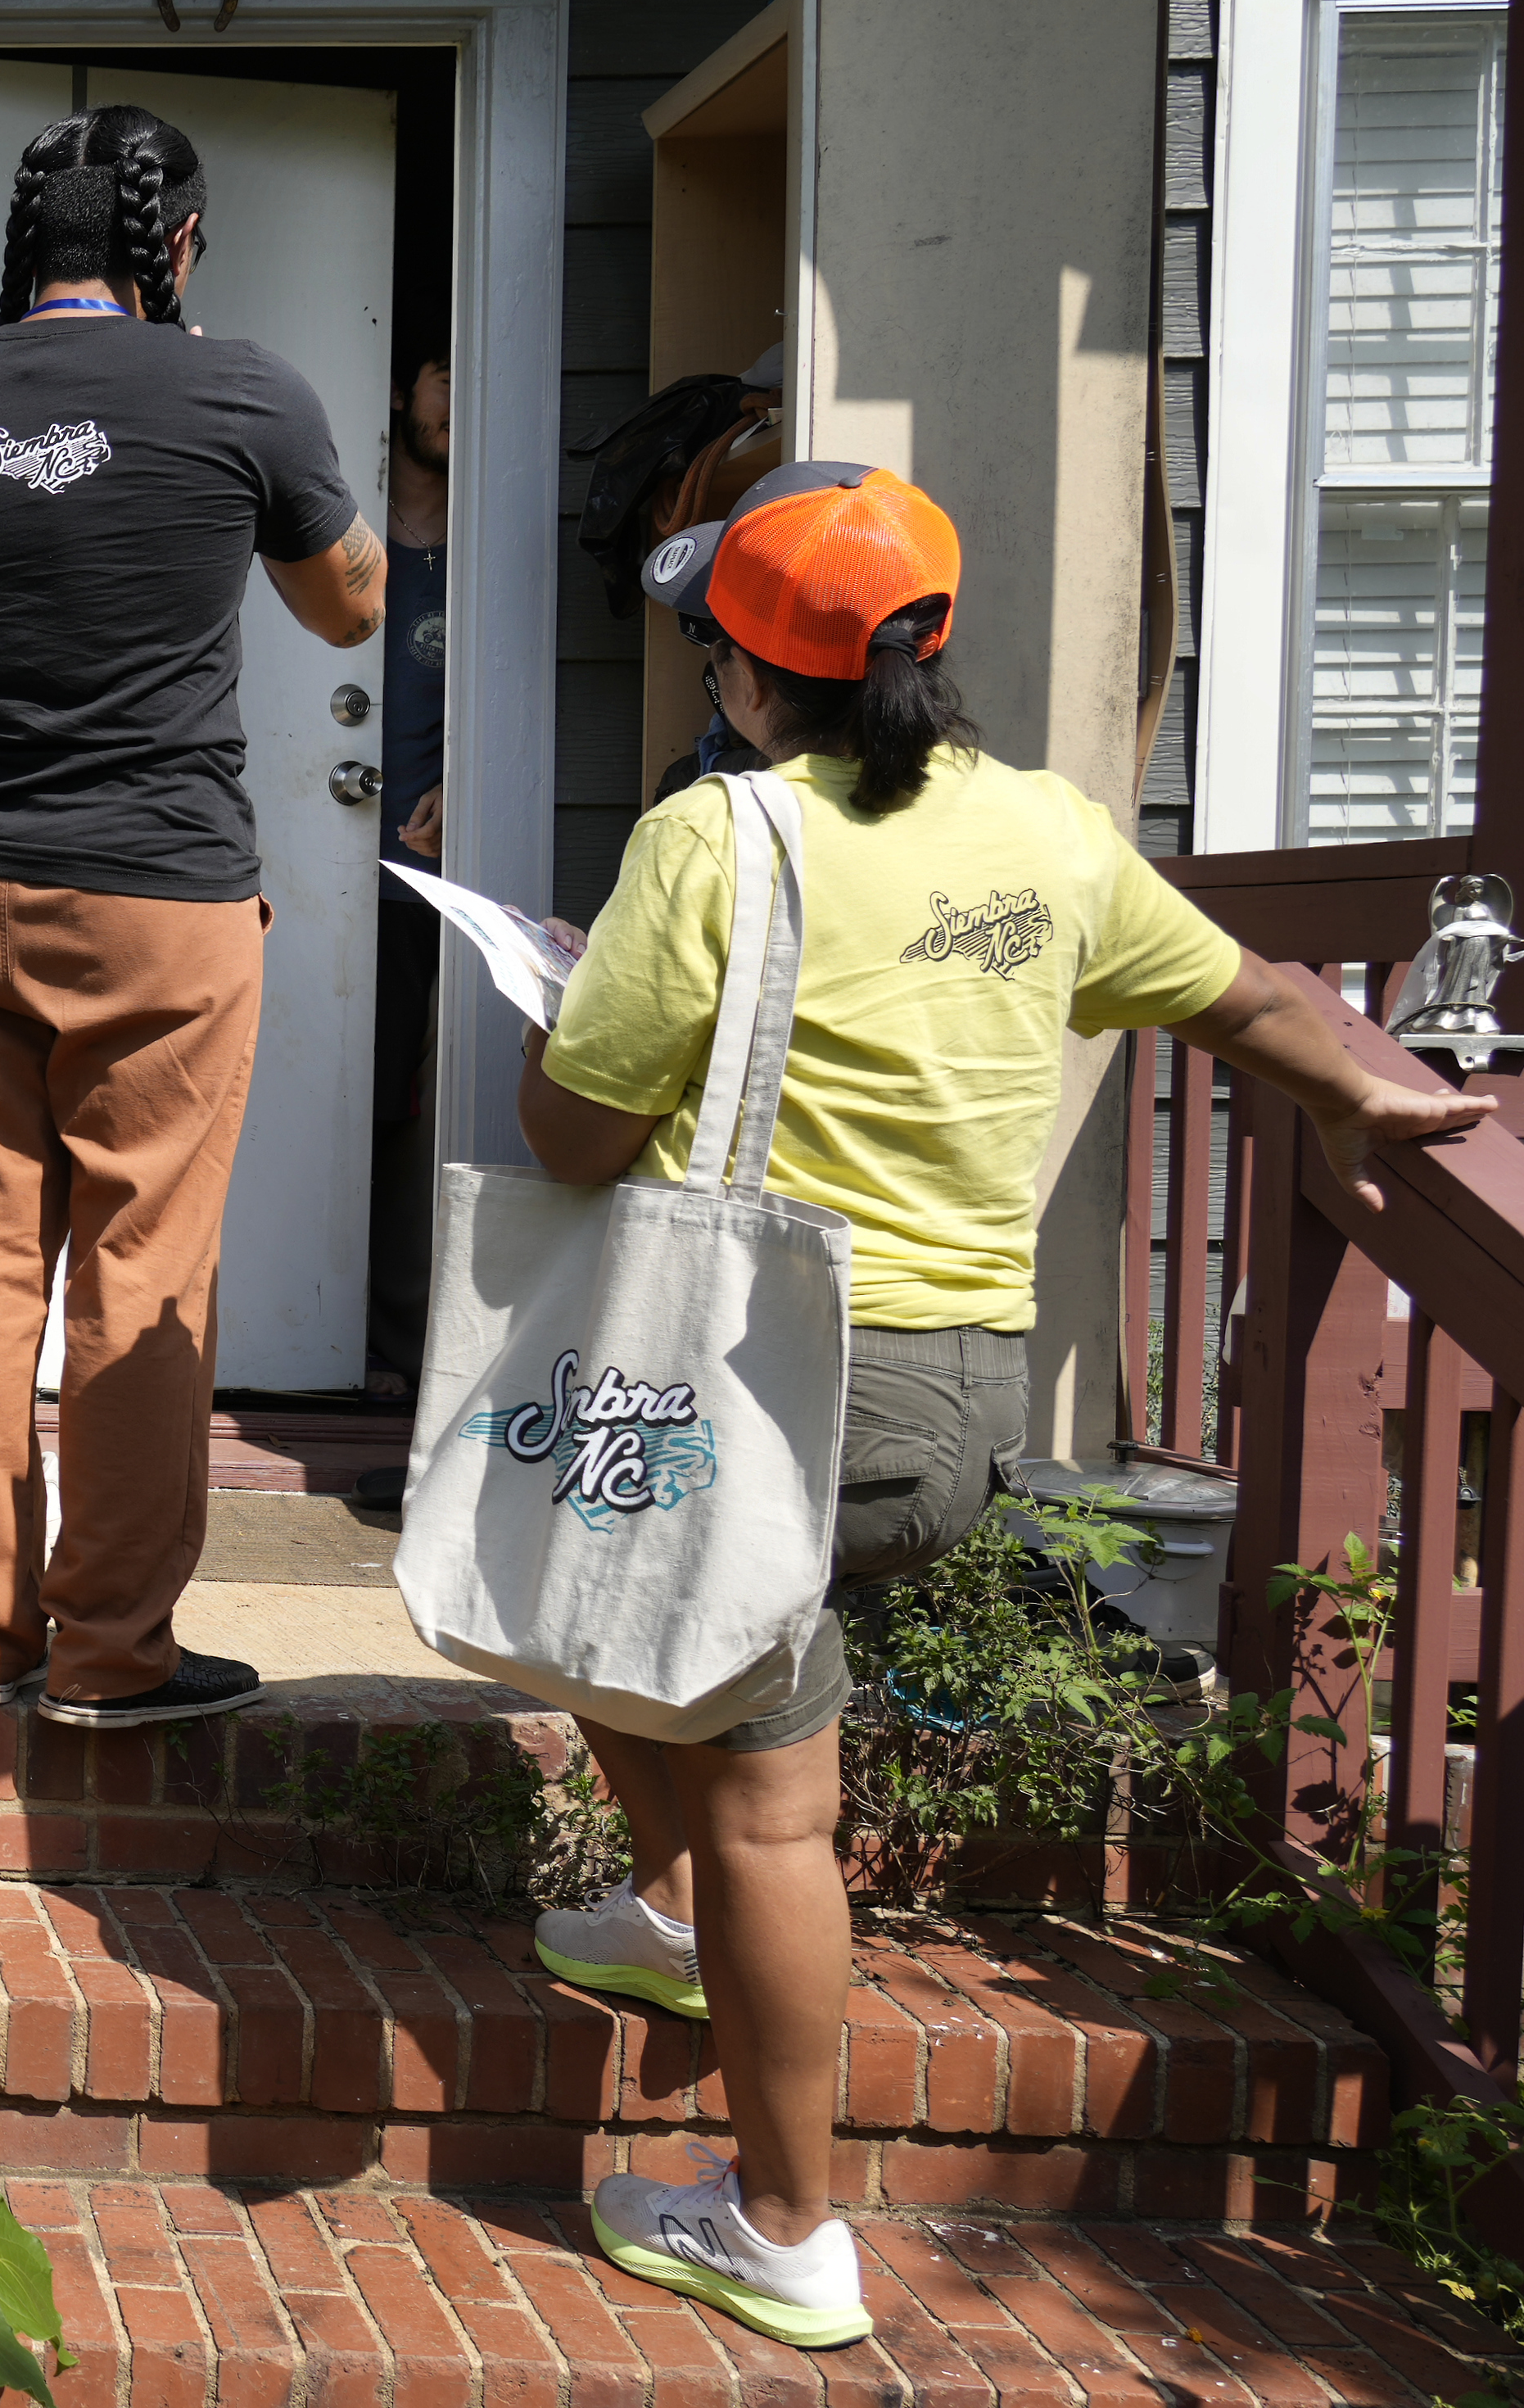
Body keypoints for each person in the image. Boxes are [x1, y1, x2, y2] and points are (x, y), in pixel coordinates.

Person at [516, 462, 1495, 2346]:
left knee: (758, 1793)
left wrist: (569, 1006)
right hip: (952, 1398)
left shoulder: (721, 842)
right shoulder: (1046, 833)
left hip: (767, 1379)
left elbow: (568, 1131)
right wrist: (1362, 1083)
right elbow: (1238, 995)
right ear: (927, 640)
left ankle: (785, 2218)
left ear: (741, 667)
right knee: (590, 1585)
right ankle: (658, 1918)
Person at [0, 103, 386, 1730]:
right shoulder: (245, 389)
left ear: (24, 242)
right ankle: (115, 1657)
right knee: (139, 1276)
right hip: (162, 899)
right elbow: (350, 603)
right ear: (173, 241)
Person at [365, 341, 450, 1403]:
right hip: (315, 873)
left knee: (410, 1115)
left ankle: (393, 1342)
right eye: (439, 372)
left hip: (421, 879)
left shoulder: (473, 551)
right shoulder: (341, 540)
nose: (453, 400)